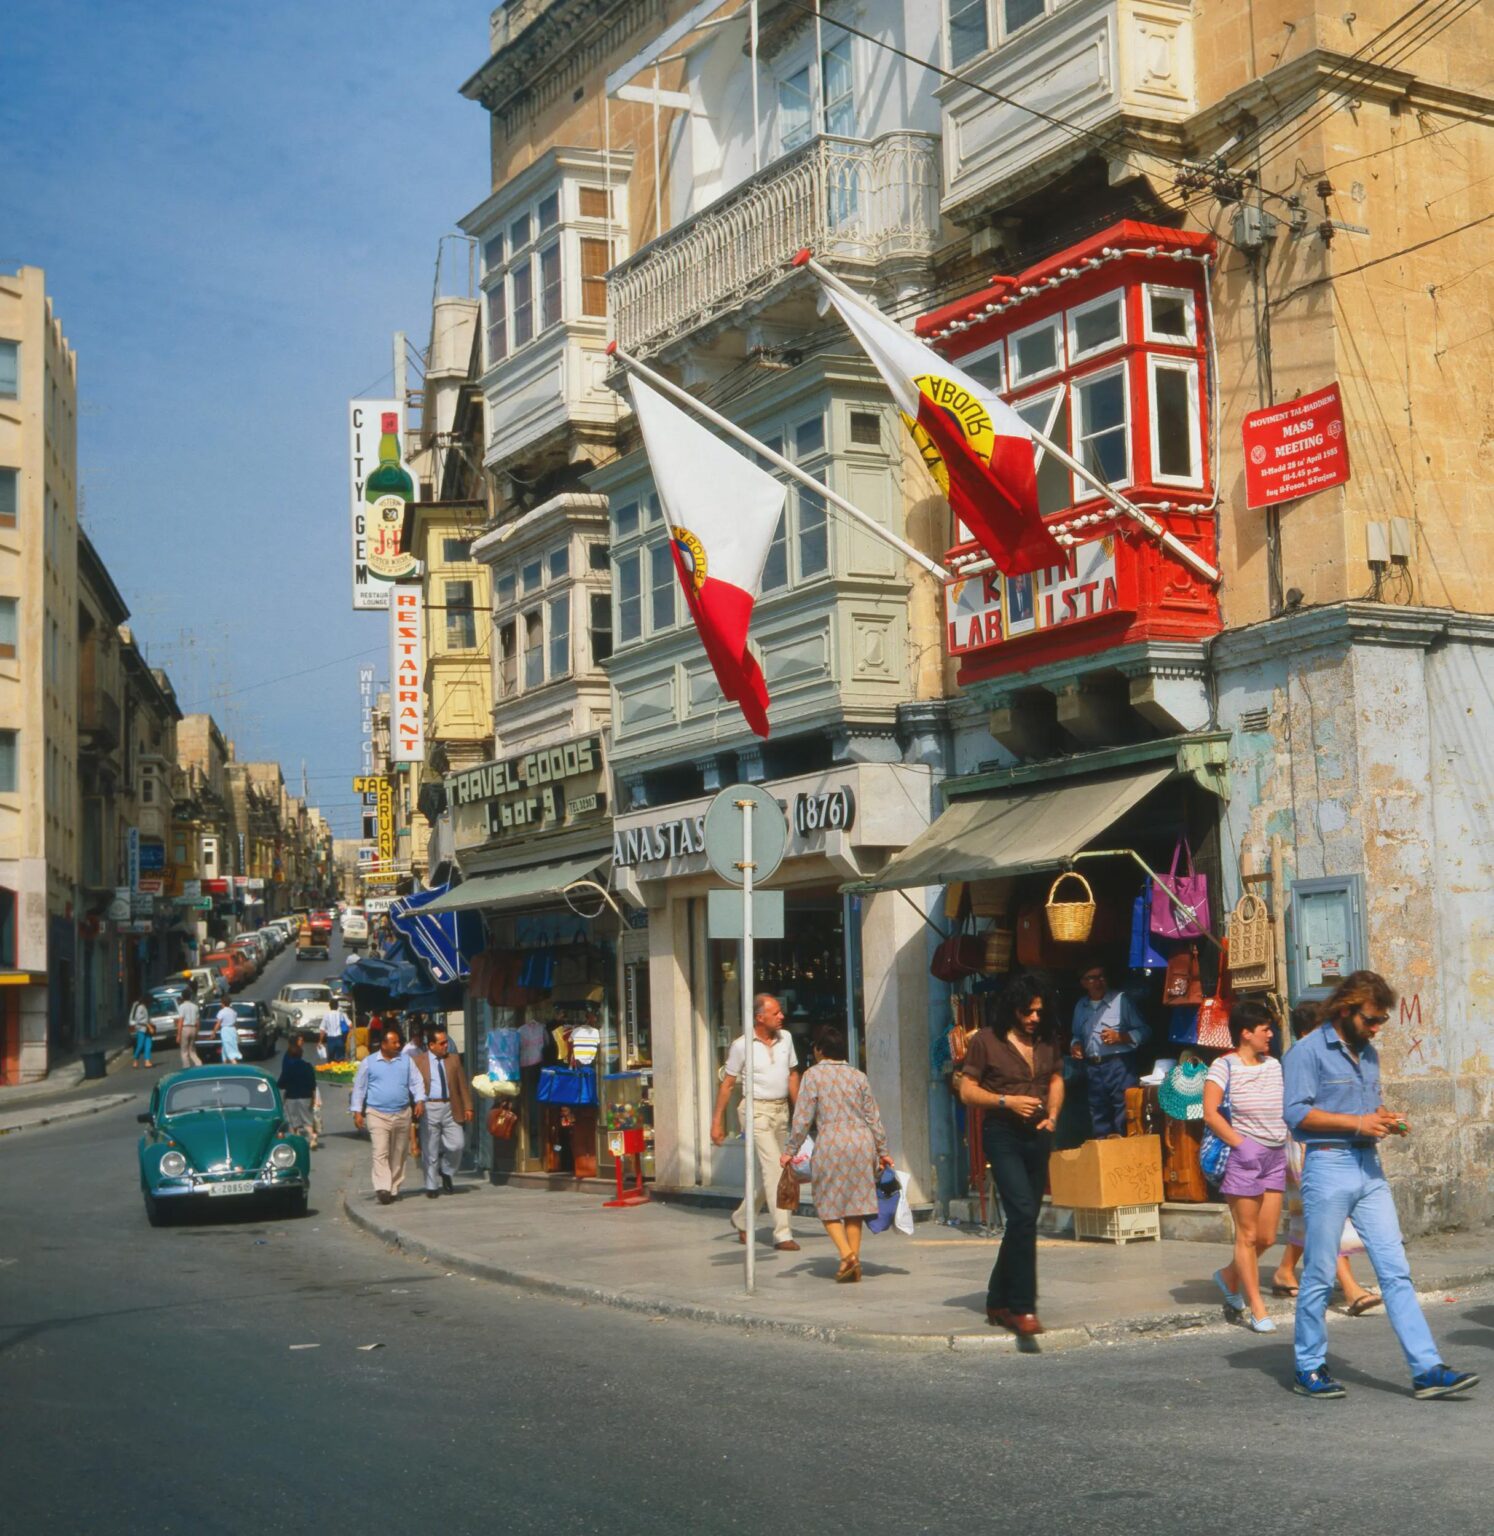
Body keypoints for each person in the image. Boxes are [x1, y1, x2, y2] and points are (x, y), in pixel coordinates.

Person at [1284, 969, 1477, 1401]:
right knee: (1317, 1272)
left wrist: (1386, 1117)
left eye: (1381, 1022)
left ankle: (1426, 1368)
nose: (1376, 1029)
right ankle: (1309, 1367)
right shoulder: (1306, 1052)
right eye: (1371, 1019)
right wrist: (1357, 1122)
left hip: (1368, 1169)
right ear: (1346, 1009)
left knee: (1396, 1271)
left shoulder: (1367, 1054)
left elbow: (1370, 1105)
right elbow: (1296, 1115)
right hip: (1328, 1165)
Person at [959, 973, 1064, 1336]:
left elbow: (1055, 1079)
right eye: (1028, 1012)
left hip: (1038, 1135)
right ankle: (1022, 1309)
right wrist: (1006, 1101)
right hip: (1001, 1133)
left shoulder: (1048, 1040)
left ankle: (996, 1297)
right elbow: (967, 1091)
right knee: (1020, 1213)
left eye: (1039, 1011)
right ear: (1013, 1009)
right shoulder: (986, 1041)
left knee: (1025, 1218)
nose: (1035, 1018)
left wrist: (1053, 1116)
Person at [1271, 1002, 1380, 1313]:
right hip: (1308, 1146)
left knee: (1311, 1216)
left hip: (1325, 1145)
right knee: (1325, 1216)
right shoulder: (1302, 1058)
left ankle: (1284, 1271)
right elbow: (1300, 1113)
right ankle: (1350, 1288)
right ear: (1307, 1032)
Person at [780, 1025, 892, 1282]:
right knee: (855, 1205)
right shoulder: (858, 1076)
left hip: (831, 1142)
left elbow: (802, 1118)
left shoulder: (812, 1076)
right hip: (861, 1142)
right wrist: (883, 1151)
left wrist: (790, 1150)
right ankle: (854, 1262)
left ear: (819, 1050)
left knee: (827, 1204)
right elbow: (873, 1117)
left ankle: (847, 1256)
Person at [1202, 999, 1286, 1333]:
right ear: (1246, 1033)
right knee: (1247, 1236)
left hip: (1276, 1156)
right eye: (1265, 1028)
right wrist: (1242, 1145)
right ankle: (1256, 1306)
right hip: (1244, 1157)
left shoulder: (1275, 1065)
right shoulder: (1224, 1066)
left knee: (1266, 1236)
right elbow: (1209, 1113)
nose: (1271, 1033)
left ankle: (1228, 1276)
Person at [710, 993, 802, 1252]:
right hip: (755, 1111)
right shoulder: (742, 1046)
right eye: (776, 1013)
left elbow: (793, 1075)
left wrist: (802, 1112)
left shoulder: (787, 1040)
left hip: (781, 1110)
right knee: (775, 1169)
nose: (782, 1016)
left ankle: (742, 1218)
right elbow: (727, 1085)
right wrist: (716, 1122)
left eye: (781, 1011)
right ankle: (782, 1233)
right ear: (760, 1018)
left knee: (776, 1170)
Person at [1069, 959, 1148, 1138]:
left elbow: (1145, 1031)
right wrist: (1075, 1045)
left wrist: (1121, 1037)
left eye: (1102, 976)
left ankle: (1126, 1160)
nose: (1098, 982)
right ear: (1083, 983)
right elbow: (1076, 1035)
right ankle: (1105, 1159)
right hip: (1093, 1067)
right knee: (1098, 1116)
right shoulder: (1081, 1006)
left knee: (1126, 1113)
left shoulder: (1121, 1000)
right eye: (1092, 978)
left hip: (1119, 1065)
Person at [350, 1025, 427, 1204]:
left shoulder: (406, 1061)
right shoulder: (369, 1062)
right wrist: (357, 1112)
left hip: (402, 1113)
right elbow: (359, 1088)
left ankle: (394, 1187)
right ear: (383, 1045)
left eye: (399, 1042)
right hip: (377, 1114)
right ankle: (383, 1188)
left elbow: (416, 1082)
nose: (398, 1045)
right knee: (380, 1151)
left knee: (399, 1152)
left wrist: (420, 1101)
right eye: (394, 1042)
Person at [413, 1026, 473, 1198]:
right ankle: (431, 1185)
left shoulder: (453, 1060)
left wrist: (468, 1106)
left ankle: (446, 1170)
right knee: (430, 1148)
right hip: (429, 1107)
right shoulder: (418, 1061)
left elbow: (462, 1085)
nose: (446, 1046)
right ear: (431, 1045)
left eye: (446, 1042)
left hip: (450, 1107)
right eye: (442, 1043)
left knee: (458, 1144)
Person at [278, 1035, 318, 1146]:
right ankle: (312, 1137)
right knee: (307, 1119)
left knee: (293, 1121)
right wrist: (313, 1096)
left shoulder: (288, 1068)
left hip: (292, 1097)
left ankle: (296, 1142)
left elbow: (281, 1083)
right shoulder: (307, 1066)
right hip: (306, 1096)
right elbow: (312, 1083)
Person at [177, 983, 202, 1068]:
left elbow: (181, 1021)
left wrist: (178, 1035)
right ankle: (199, 1064)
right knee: (192, 1051)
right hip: (193, 1028)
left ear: (182, 997)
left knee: (184, 1052)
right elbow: (198, 1021)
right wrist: (197, 1032)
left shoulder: (182, 1007)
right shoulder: (195, 1007)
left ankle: (186, 1068)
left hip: (185, 1028)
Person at [129, 996, 154, 1068]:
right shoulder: (140, 1007)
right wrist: (148, 1025)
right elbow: (139, 1019)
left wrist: (151, 1024)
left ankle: (147, 1061)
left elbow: (147, 1018)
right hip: (141, 1029)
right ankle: (135, 1059)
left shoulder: (145, 1007)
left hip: (147, 1030)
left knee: (148, 1045)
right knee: (140, 1045)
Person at [216, 1000, 243, 1065]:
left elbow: (218, 1023)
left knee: (229, 1049)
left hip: (225, 1030)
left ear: (223, 1003)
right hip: (232, 1030)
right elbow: (235, 1023)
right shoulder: (233, 1012)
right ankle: (224, 1065)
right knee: (225, 1048)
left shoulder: (221, 1012)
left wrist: (213, 1032)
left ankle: (235, 1065)